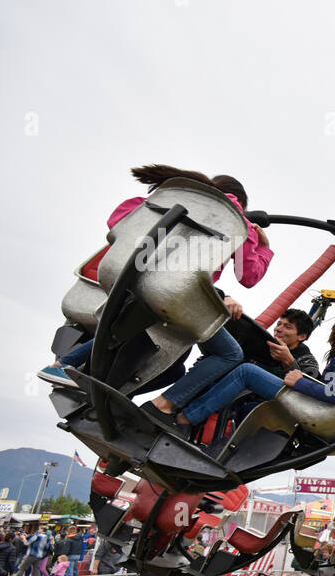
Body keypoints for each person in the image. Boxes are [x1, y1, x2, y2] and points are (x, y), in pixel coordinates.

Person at [40, 166, 274, 416]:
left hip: (128, 277)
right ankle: (163, 406)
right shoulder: (237, 220)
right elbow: (248, 276)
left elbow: (116, 222)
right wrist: (262, 246)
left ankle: (67, 365)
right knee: (229, 353)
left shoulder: (171, 197)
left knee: (136, 323)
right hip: (177, 295)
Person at [170, 310, 335, 428]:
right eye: (279, 324)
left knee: (246, 372)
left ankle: (184, 418)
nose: (279, 329)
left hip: (316, 410)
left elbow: (333, 393)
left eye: (288, 327)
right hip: (322, 410)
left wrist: (298, 377)